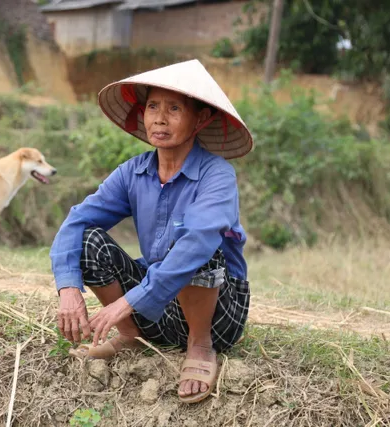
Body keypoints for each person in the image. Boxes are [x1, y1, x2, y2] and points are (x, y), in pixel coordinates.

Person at [50, 59, 253, 404]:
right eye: (153, 107)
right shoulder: (134, 172)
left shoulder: (217, 175)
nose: (160, 118)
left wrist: (128, 301)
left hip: (217, 310)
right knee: (88, 240)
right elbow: (77, 221)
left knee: (196, 248)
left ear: (200, 119)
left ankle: (199, 346)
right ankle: (131, 337)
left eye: (174, 108)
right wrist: (68, 288)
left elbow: (199, 242)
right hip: (155, 309)